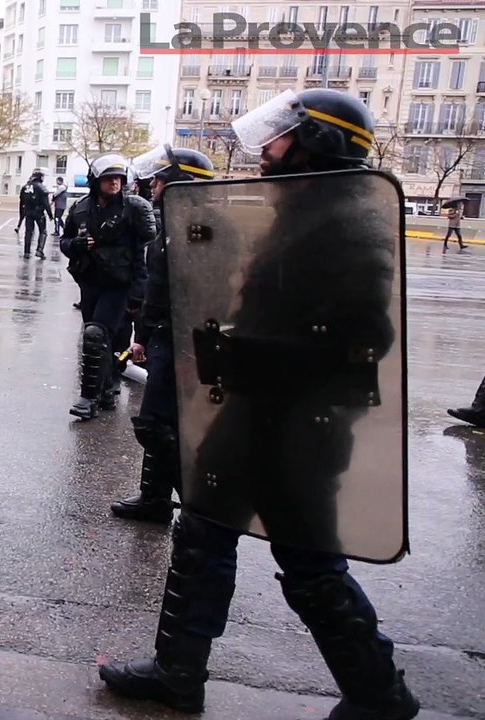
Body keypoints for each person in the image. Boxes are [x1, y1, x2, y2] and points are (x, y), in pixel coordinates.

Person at [99, 89, 419, 720]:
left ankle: (380, 696)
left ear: (317, 142)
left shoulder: (349, 221)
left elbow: (361, 340)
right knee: (202, 532)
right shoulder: (305, 209)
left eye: (278, 137)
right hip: (258, 412)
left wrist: (248, 353)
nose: (266, 150)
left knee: (310, 562)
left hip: (300, 424)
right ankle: (178, 673)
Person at [109, 144, 215, 525]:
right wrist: (142, 336)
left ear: (179, 183)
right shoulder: (172, 223)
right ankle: (155, 498)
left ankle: (199, 506)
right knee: (160, 423)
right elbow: (157, 290)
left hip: (187, 341)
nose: (152, 186)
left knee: (160, 424)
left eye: (159, 180)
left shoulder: (205, 229)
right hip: (164, 337)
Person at [58, 154, 155, 419]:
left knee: (96, 336)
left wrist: (138, 293)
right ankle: (107, 388)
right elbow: (65, 241)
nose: (114, 183)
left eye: (118, 178)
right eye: (109, 178)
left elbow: (143, 253)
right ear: (96, 180)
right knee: (102, 341)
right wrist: (75, 246)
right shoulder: (81, 208)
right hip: (91, 284)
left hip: (120, 286)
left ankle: (88, 398)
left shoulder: (132, 209)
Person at [15, 168, 54, 259]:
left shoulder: (25, 187)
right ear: (40, 177)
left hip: (28, 212)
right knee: (43, 231)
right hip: (39, 212)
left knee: (28, 232)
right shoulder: (41, 187)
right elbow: (46, 203)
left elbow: (21, 202)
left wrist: (22, 215)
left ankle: (26, 252)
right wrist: (50, 215)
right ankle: (39, 250)